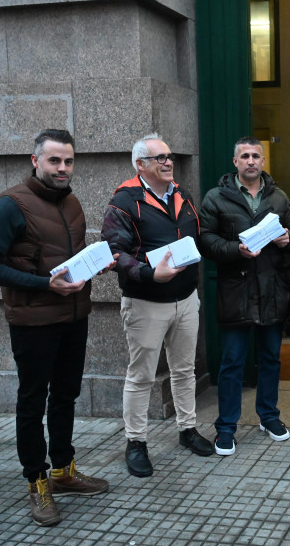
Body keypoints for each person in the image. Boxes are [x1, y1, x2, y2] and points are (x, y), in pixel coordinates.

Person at [0, 129, 111, 527]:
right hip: (33, 322)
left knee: (66, 395)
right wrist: (43, 284)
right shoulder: (10, 205)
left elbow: (66, 259)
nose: (62, 168)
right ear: (36, 161)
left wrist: (95, 265)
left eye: (68, 160)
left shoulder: (71, 203)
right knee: (33, 401)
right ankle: (36, 480)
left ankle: (63, 470)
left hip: (73, 316)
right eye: (54, 160)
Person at [101, 133, 213, 477]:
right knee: (142, 376)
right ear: (141, 165)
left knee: (184, 370)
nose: (168, 162)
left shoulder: (182, 194)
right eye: (160, 157)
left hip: (185, 298)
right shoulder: (124, 201)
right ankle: (136, 442)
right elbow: (114, 252)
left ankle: (187, 429)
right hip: (146, 302)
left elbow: (197, 236)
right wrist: (150, 274)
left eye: (170, 157)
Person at [198, 137, 290, 455]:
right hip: (237, 292)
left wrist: (288, 240)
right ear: (235, 162)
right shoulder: (216, 197)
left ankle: (269, 417)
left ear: (263, 161)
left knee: (270, 359)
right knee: (232, 362)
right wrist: (236, 250)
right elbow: (204, 240)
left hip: (272, 290)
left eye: (256, 155)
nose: (251, 161)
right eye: (244, 156)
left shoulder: (279, 197)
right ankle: (226, 428)